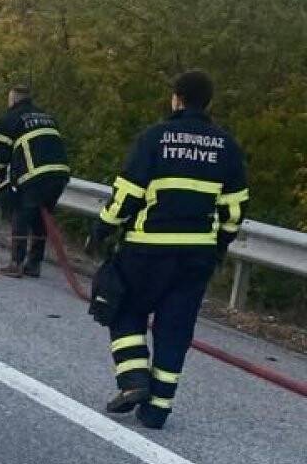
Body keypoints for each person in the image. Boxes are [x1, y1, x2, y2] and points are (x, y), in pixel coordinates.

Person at [90, 70, 249, 429]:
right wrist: (219, 245)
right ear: (209, 102)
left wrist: (104, 227)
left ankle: (133, 381)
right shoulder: (227, 146)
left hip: (147, 250)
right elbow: (235, 208)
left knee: (124, 309)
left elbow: (128, 193)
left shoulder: (155, 138)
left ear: (176, 98)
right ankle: (158, 409)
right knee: (175, 329)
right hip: (196, 256)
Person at [0, 85, 71, 278]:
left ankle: (16, 263)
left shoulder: (10, 119)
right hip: (59, 175)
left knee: (21, 214)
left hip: (35, 176)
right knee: (41, 218)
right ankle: (34, 264)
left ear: (13, 99)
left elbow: (2, 153)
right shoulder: (47, 117)